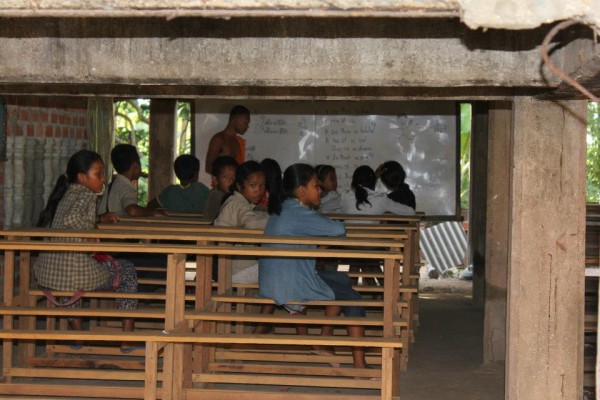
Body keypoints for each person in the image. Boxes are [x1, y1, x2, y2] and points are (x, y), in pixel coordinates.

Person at [259, 163, 370, 370]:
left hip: (275, 280)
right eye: (315, 186)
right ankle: (360, 366)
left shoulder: (283, 208)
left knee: (342, 281)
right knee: (353, 299)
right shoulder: (299, 213)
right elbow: (338, 229)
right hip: (291, 284)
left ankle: (323, 342)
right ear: (302, 191)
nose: (320, 190)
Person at [33, 150, 139, 353]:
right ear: (82, 178)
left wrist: (96, 222)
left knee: (70, 278)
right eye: (98, 174)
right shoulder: (88, 195)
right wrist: (85, 234)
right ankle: (127, 336)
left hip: (49, 273)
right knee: (127, 271)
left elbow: (69, 218)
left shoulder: (66, 193)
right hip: (74, 274)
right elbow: (71, 220)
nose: (102, 179)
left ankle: (78, 331)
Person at [214, 161, 268, 283]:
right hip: (234, 271)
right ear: (239, 186)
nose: (258, 190)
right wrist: (277, 221)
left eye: (262, 185)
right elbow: (252, 223)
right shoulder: (237, 203)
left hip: (233, 268)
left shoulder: (239, 202)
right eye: (253, 185)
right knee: (282, 268)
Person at [98, 144, 165, 217]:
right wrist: (154, 212)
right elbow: (132, 211)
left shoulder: (114, 184)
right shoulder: (124, 187)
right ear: (135, 166)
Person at [340, 165, 415, 218]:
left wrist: (373, 178)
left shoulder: (345, 197)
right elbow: (410, 212)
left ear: (353, 182)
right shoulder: (381, 200)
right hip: (373, 240)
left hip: (349, 240)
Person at [205, 105, 250, 174]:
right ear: (236, 120)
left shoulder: (240, 141)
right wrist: (226, 177)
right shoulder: (219, 139)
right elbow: (208, 168)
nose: (247, 126)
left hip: (236, 184)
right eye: (246, 122)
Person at [202, 155, 238, 222]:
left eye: (234, 176)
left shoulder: (234, 196)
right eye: (225, 176)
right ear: (215, 180)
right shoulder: (216, 195)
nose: (231, 180)